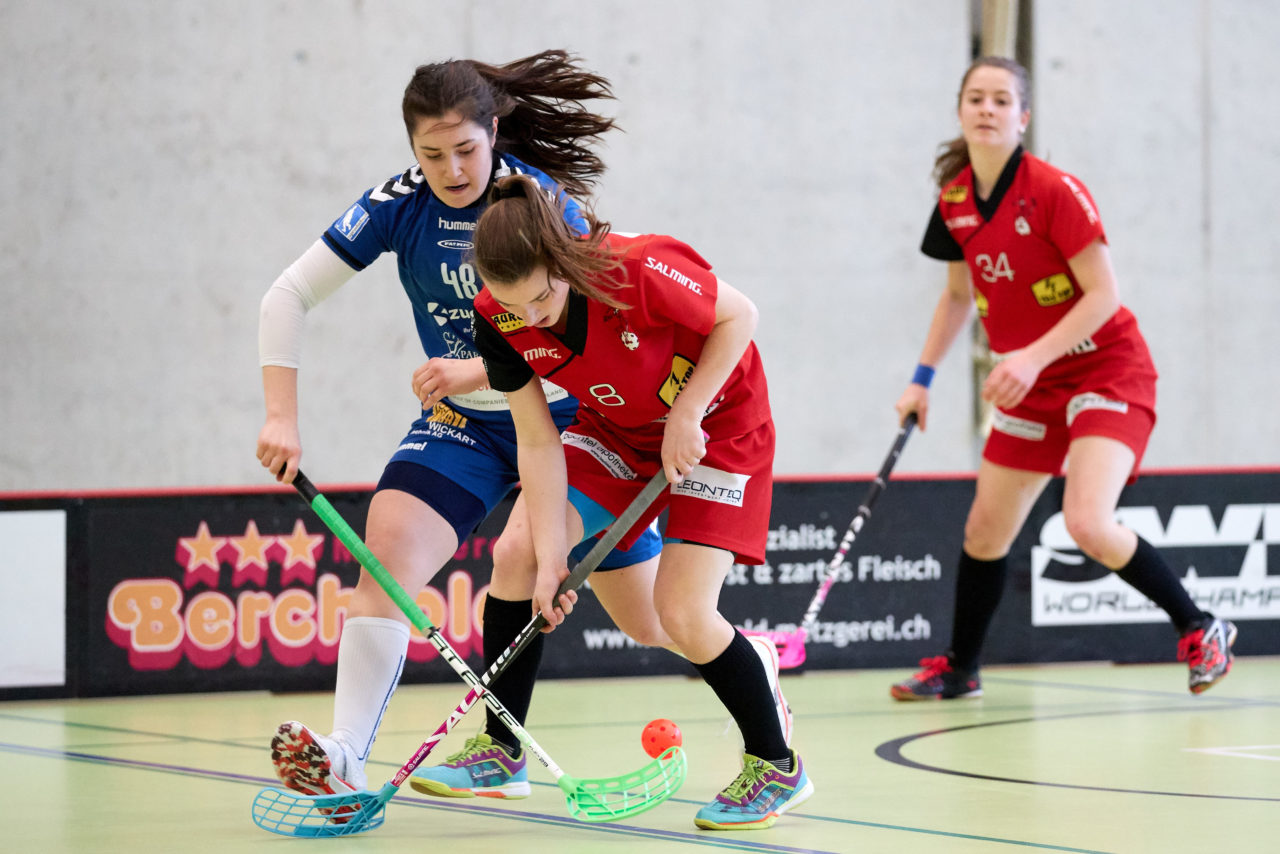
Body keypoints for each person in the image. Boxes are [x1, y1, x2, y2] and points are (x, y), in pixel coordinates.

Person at [255, 51, 671, 802]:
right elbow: (286, 296)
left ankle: (751, 667)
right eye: (431, 153)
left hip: (569, 416)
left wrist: (478, 370)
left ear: (494, 129)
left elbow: (590, 332)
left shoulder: (542, 207)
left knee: (655, 620)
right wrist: (281, 417)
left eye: (466, 150)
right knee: (386, 548)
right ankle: (349, 752)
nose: (451, 169)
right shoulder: (398, 204)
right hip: (468, 428)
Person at [426, 172, 808, 830]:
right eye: (516, 306)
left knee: (684, 612)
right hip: (616, 434)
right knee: (521, 556)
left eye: (544, 296)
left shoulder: (634, 268)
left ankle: (776, 766)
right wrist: (553, 559)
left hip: (719, 429)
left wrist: (689, 413)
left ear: (560, 256)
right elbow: (539, 442)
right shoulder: (498, 319)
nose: (534, 315)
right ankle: (499, 752)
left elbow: (738, 315)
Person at [888, 56, 1237, 701]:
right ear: (960, 112)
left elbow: (1103, 295)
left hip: (1106, 369)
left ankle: (1201, 626)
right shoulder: (956, 201)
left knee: (1087, 522)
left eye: (1001, 101)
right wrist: (922, 379)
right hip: (1033, 383)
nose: (987, 109)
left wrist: (1028, 358)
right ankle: (961, 669)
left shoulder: (1054, 191)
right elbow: (958, 297)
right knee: (985, 531)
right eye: (976, 99)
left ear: (1023, 117)